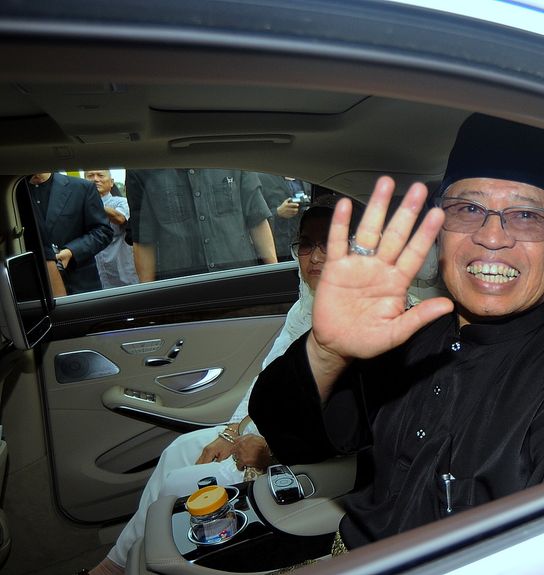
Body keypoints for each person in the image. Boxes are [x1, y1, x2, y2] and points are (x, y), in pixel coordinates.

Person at [249, 113, 544, 554]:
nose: (491, 237)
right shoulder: (410, 336)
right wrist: (325, 352)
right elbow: (297, 441)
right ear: (439, 230)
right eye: (469, 209)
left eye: (526, 216)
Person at [83, 196, 348, 575]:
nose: (316, 257)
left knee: (183, 480)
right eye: (306, 244)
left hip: (302, 458)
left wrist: (270, 448)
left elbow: (343, 422)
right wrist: (230, 431)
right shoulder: (305, 306)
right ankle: (115, 564)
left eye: (330, 244)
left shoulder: (361, 325)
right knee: (179, 450)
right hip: (267, 433)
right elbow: (266, 378)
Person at [125, 169, 278, 282]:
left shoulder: (233, 156)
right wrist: (150, 301)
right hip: (181, 292)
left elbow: (257, 219)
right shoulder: (143, 170)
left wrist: (274, 278)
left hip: (240, 284)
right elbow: (144, 239)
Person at [26, 172, 113, 294]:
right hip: (31, 286)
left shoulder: (81, 187)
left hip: (79, 283)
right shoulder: (12, 191)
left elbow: (103, 231)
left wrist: (71, 251)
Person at [85, 169, 139, 288]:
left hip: (123, 268)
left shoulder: (122, 202)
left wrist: (93, 202)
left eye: (100, 175)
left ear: (111, 182)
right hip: (96, 273)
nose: (95, 179)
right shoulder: (79, 207)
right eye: (90, 176)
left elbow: (120, 218)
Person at [258, 172, 311, 261]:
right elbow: (255, 216)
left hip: (304, 246)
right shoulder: (262, 177)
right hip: (278, 250)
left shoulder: (308, 177)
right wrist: (278, 213)